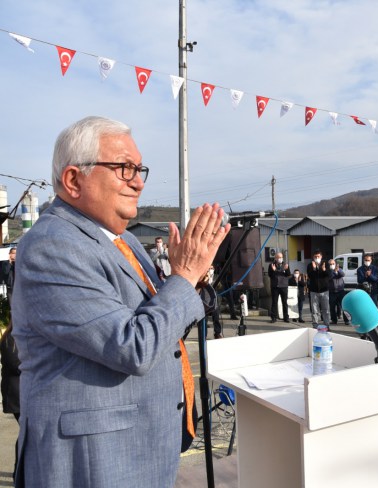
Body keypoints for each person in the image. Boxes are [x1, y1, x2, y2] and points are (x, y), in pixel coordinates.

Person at [11, 116, 230, 487]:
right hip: (94, 461)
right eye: (124, 168)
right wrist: (184, 277)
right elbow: (131, 346)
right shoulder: (52, 245)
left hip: (141, 447)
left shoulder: (123, 239)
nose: (138, 181)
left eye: (139, 169)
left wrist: (191, 283)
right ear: (74, 180)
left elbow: (159, 322)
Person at [1, 321, 21, 482]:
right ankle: (18, 472)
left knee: (26, 432)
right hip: (15, 394)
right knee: (27, 432)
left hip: (20, 393)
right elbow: (14, 364)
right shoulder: (10, 338)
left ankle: (19, 472)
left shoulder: (16, 336)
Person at [307, 251, 331, 327]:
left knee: (326, 309)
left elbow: (329, 275)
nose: (317, 258)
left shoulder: (325, 264)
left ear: (321, 257)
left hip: (324, 290)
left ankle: (327, 325)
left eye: (318, 256)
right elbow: (310, 276)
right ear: (313, 257)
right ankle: (315, 325)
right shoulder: (310, 265)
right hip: (314, 291)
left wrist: (324, 270)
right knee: (314, 310)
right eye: (315, 257)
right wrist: (314, 269)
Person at [268, 252, 291, 323]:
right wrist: (273, 270)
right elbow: (270, 275)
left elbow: (288, 274)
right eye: (278, 257)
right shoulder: (271, 265)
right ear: (275, 258)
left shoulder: (285, 265)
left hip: (284, 286)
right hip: (275, 286)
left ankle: (286, 317)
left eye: (281, 257)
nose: (279, 259)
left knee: (284, 302)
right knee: (274, 302)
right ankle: (273, 317)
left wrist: (286, 269)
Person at [328, 258, 349, 325]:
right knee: (332, 307)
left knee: (344, 306)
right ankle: (334, 320)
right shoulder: (328, 271)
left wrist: (338, 270)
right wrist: (334, 271)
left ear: (335, 264)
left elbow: (343, 274)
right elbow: (330, 277)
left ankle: (346, 320)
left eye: (333, 264)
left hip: (340, 291)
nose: (332, 265)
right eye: (330, 264)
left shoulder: (339, 269)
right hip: (332, 292)